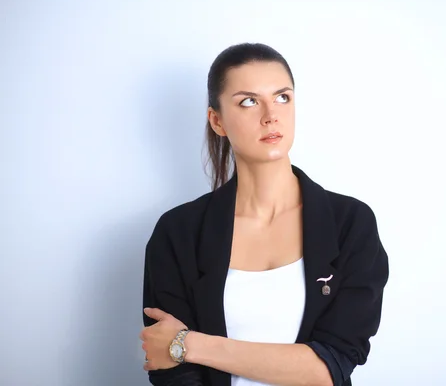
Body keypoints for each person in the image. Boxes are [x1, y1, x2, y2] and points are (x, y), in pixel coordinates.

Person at [140, 43, 389, 386]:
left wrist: (190, 344)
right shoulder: (178, 232)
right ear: (217, 121)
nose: (271, 114)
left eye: (282, 97)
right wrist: (180, 352)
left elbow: (328, 368)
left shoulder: (350, 223)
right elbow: (170, 369)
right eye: (248, 101)